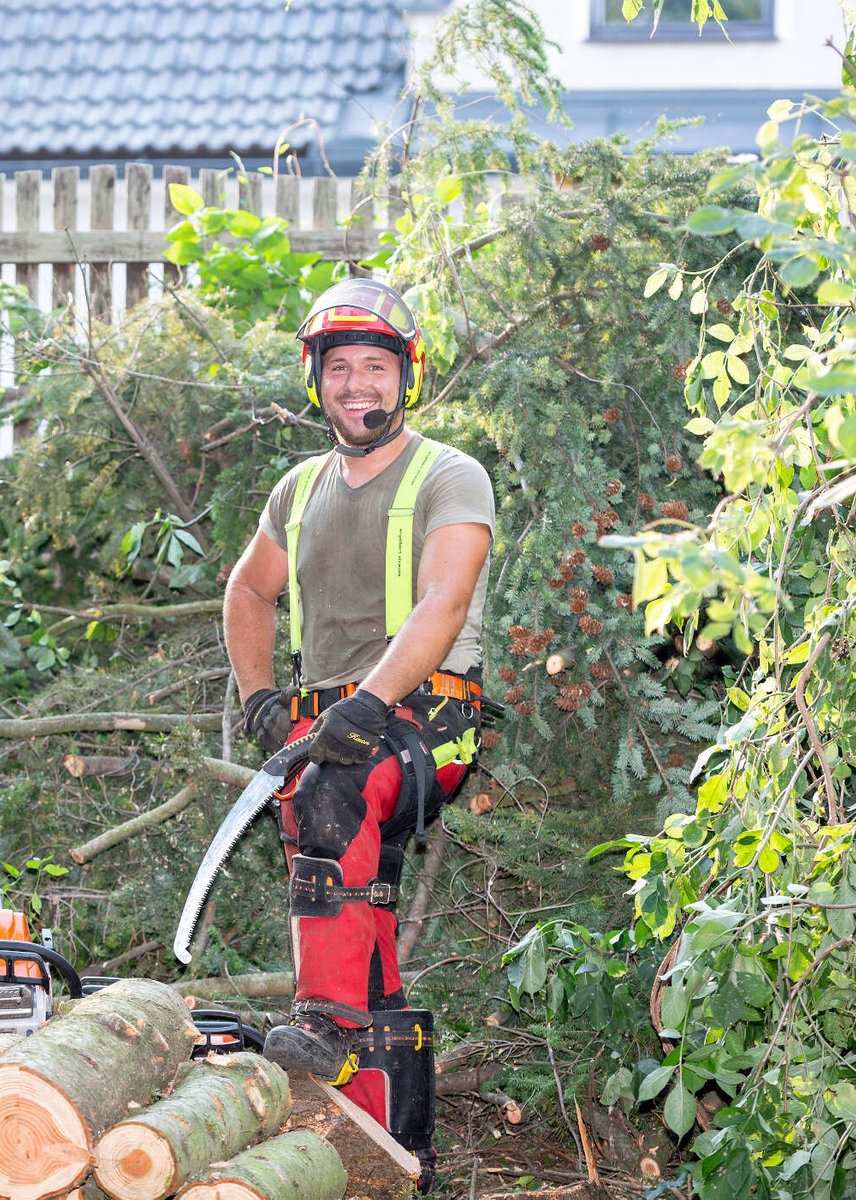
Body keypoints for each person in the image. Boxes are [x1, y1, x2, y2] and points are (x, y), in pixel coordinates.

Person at [223, 278, 493, 1185]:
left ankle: (330, 1026)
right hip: (330, 721)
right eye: (339, 369)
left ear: (403, 378)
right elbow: (246, 592)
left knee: (334, 793)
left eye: (373, 367)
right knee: (343, 872)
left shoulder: (447, 474)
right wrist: (264, 699)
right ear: (316, 382)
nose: (356, 386)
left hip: (427, 721)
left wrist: (370, 703)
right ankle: (392, 1140)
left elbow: (445, 601)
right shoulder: (296, 490)